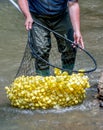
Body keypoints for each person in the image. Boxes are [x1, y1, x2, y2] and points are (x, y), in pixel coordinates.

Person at [18, 0, 84, 76]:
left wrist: (77, 31)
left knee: (70, 47)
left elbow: (73, 4)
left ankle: (67, 77)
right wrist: (27, 15)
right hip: (37, 16)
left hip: (61, 15)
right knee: (41, 50)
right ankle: (43, 80)